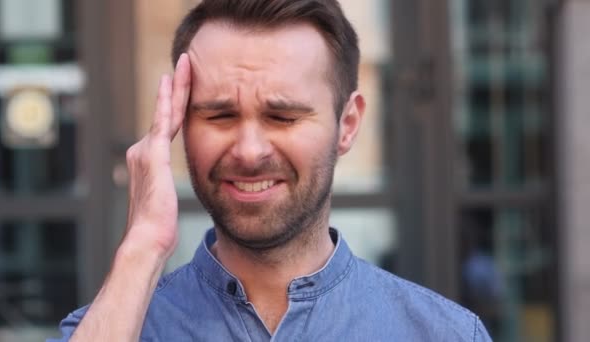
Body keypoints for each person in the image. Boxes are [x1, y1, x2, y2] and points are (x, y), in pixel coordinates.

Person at [50, 0, 492, 340]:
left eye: (282, 117)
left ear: (348, 124)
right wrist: (143, 247)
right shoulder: (115, 325)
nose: (248, 150)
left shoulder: (444, 334)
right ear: (179, 122)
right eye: (219, 116)